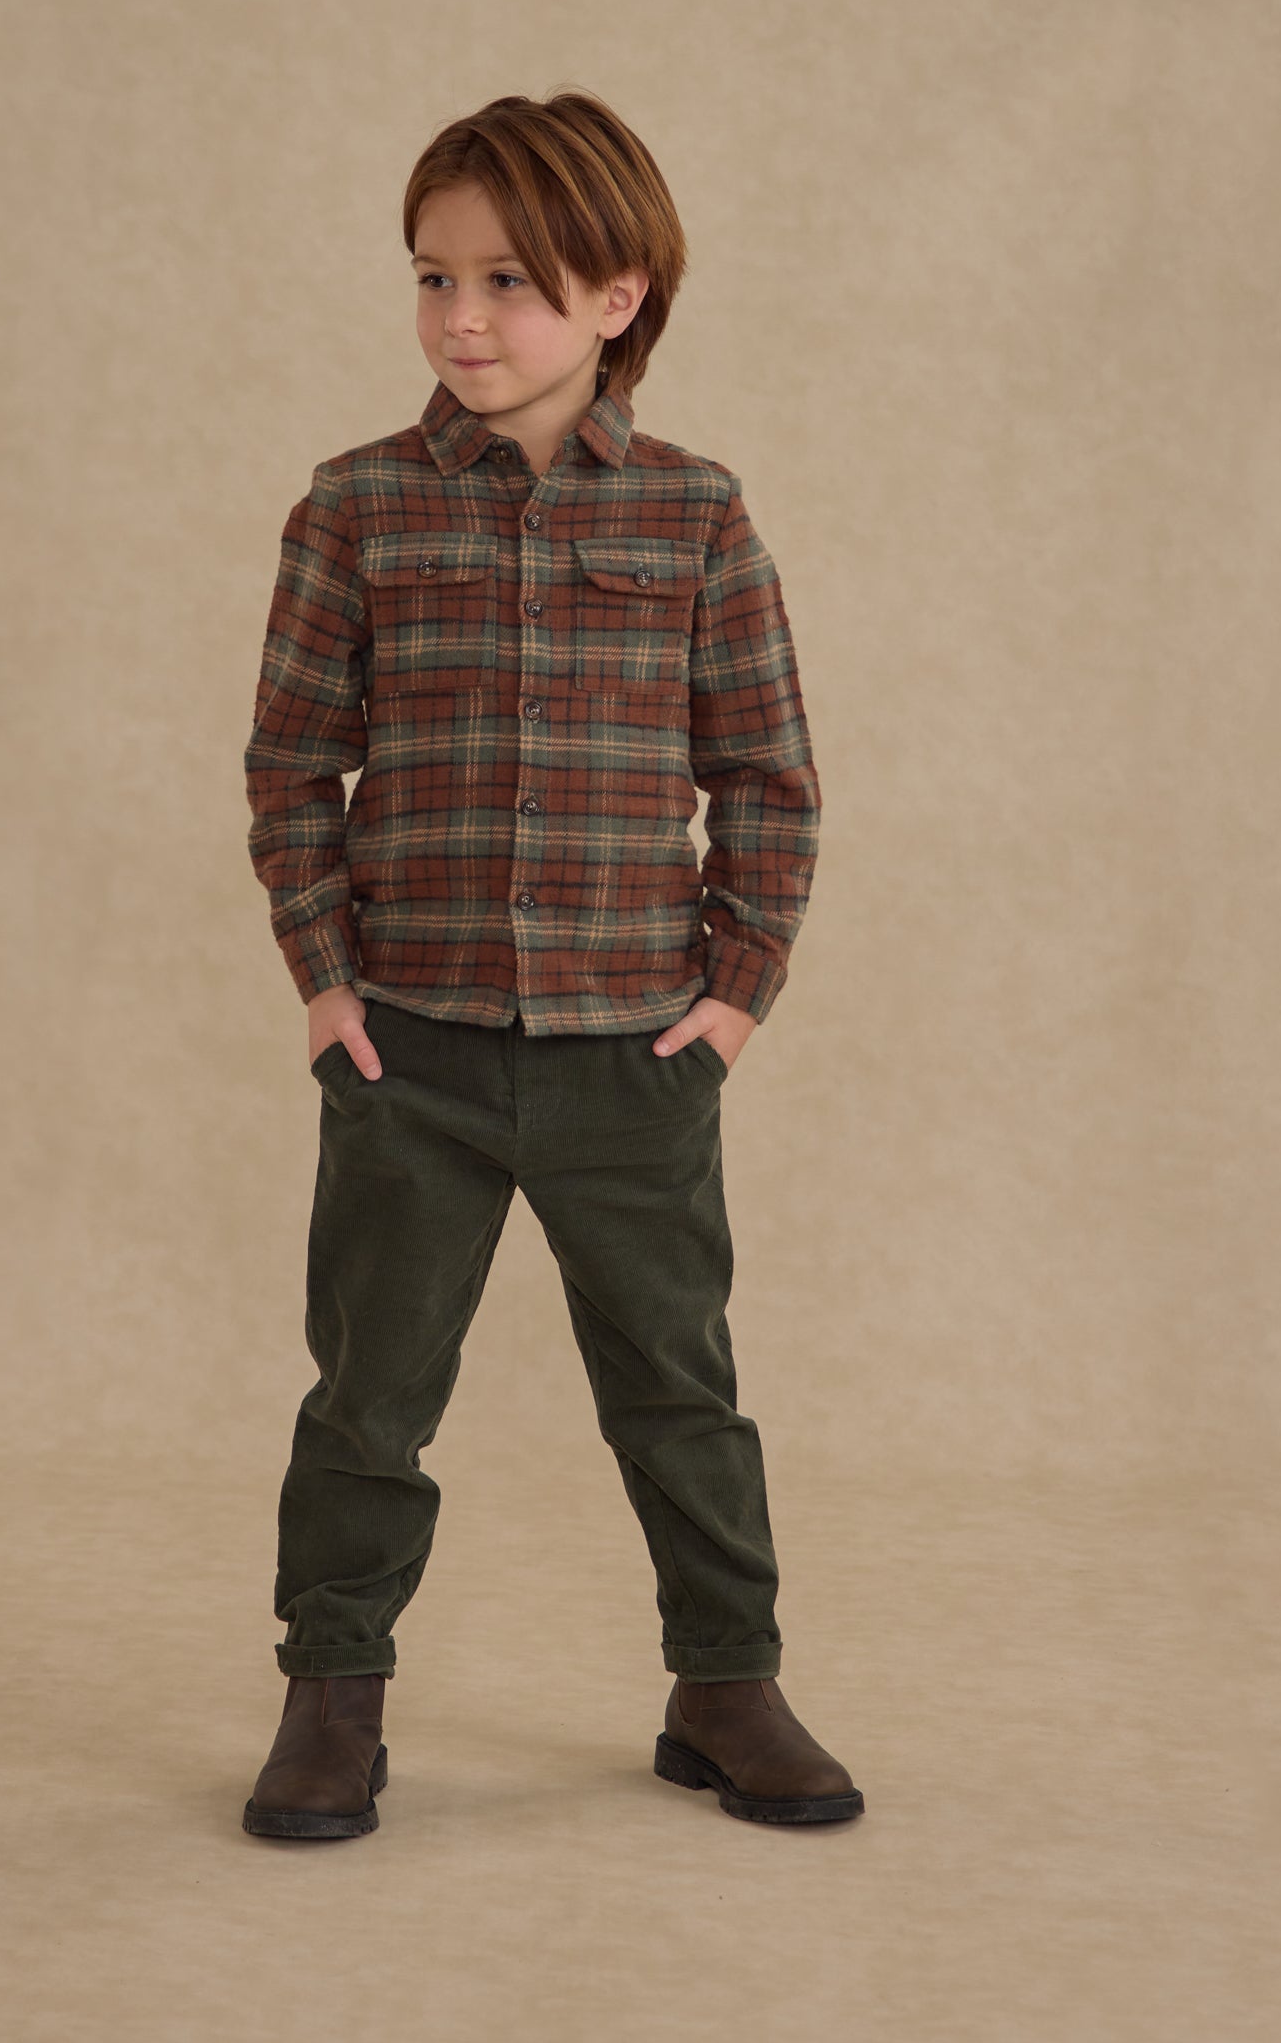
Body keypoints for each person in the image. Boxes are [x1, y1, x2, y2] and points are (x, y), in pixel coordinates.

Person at [238, 89, 863, 1839]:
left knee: (681, 1389)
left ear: (619, 297)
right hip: (410, 1056)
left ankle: (727, 1683)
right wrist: (327, 981)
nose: (462, 320)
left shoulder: (695, 518)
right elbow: (294, 762)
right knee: (369, 1392)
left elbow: (769, 777)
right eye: (434, 277)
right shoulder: (354, 508)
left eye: (511, 280)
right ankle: (332, 1696)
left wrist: (733, 995)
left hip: (630, 1055)